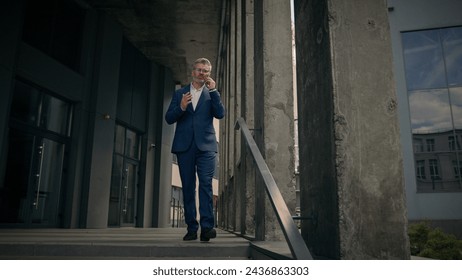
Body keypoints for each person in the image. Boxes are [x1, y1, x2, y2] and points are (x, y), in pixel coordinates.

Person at [165, 58, 225, 241]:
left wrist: (214, 91)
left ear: (209, 74)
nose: (202, 73)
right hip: (185, 146)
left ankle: (207, 228)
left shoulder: (212, 93)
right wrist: (182, 107)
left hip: (206, 146)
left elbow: (220, 114)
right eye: (199, 70)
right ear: (193, 72)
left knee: (206, 185)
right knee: (188, 187)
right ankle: (192, 228)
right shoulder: (180, 93)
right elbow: (169, 118)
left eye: (205, 71)